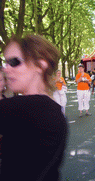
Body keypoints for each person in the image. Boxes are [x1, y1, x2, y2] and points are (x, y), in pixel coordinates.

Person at [0, 34, 68, 181]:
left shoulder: (30, 108)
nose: (6, 69)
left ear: (40, 65)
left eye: (14, 62)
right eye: (5, 63)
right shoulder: (50, 109)